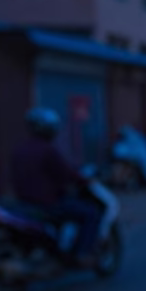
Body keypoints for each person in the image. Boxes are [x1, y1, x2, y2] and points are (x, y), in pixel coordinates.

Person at [9, 107, 102, 265]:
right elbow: (66, 174)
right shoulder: (47, 150)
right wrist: (84, 180)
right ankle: (82, 253)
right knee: (90, 213)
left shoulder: (19, 150)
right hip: (47, 204)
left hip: (24, 203)